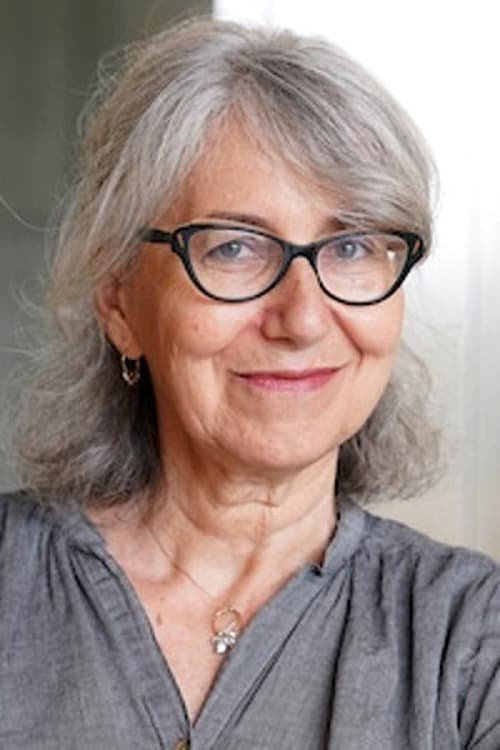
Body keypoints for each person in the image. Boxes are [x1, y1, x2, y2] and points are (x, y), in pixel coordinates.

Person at [1, 16, 499, 750]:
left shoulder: (472, 643)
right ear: (120, 304)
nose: (303, 318)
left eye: (353, 247)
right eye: (234, 248)